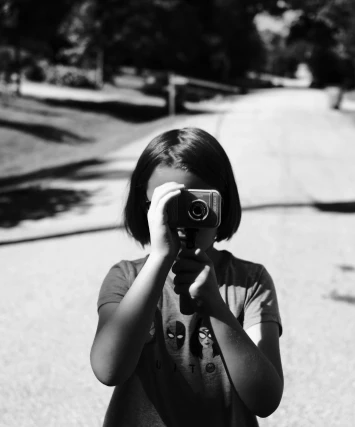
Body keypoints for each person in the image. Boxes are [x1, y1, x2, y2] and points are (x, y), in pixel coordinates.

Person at [90, 127, 284, 426]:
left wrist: (216, 308)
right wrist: (160, 260)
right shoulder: (126, 278)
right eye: (165, 206)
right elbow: (108, 369)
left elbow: (266, 399)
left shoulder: (250, 282)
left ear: (223, 203)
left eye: (195, 203)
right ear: (144, 209)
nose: (179, 220)